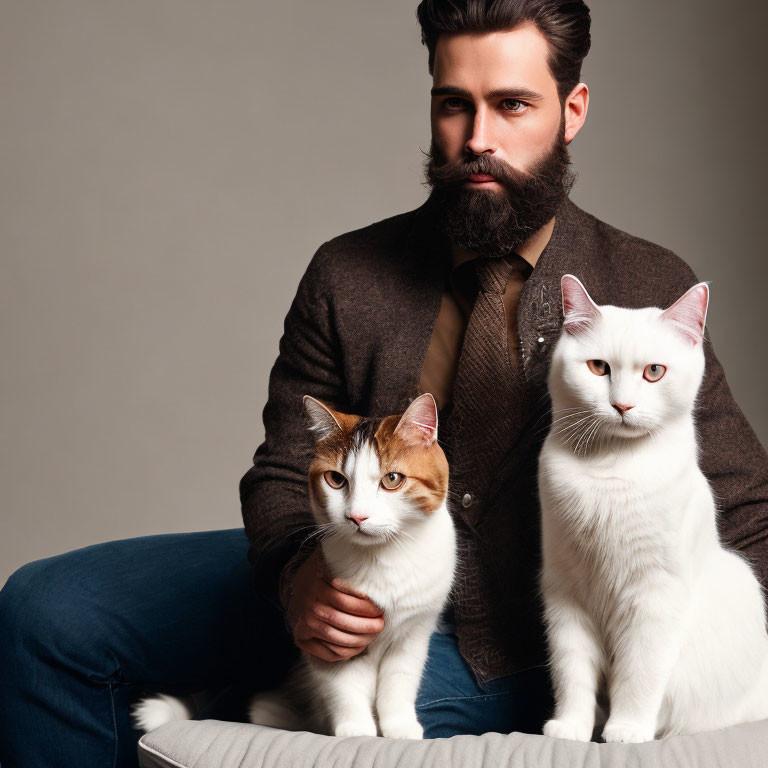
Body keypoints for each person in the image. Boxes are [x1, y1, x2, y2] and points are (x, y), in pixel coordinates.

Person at [2, 2, 767, 766]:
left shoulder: (643, 284)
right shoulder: (347, 273)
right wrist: (298, 576)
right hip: (351, 553)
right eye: (452, 105)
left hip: (514, 626)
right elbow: (276, 471)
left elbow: (744, 509)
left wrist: (686, 660)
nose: (478, 140)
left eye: (511, 105)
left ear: (572, 112)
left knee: (337, 723)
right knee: (44, 612)